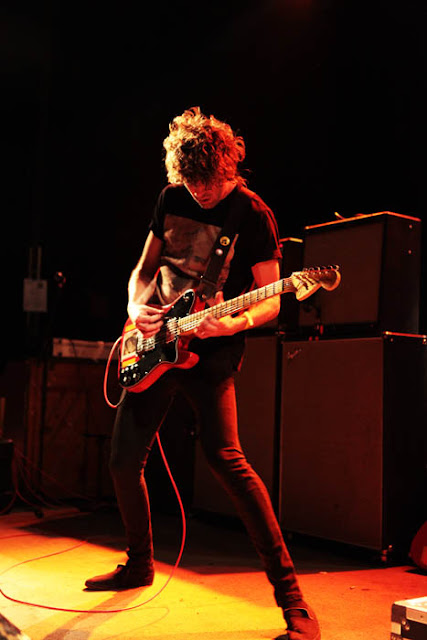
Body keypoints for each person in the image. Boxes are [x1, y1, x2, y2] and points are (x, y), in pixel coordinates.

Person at [85, 107, 321, 640]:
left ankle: (293, 601)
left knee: (227, 460)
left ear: (231, 166)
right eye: (191, 183)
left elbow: (272, 300)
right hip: (151, 341)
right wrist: (137, 306)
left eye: (210, 182)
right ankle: (140, 563)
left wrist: (233, 320)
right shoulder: (171, 199)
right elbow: (145, 268)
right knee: (123, 460)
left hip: (210, 350)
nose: (202, 193)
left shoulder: (254, 215)